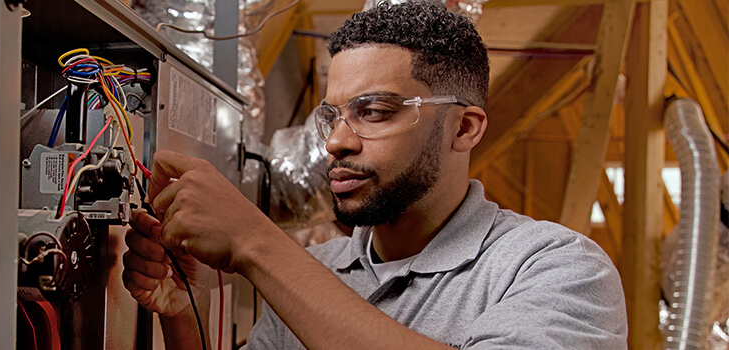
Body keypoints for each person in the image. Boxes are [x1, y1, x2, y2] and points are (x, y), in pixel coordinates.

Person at [121, 1, 628, 349]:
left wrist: (255, 242)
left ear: (465, 128)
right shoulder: (312, 271)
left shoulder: (558, 269)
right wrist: (182, 315)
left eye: (375, 111)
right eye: (332, 116)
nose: (337, 141)